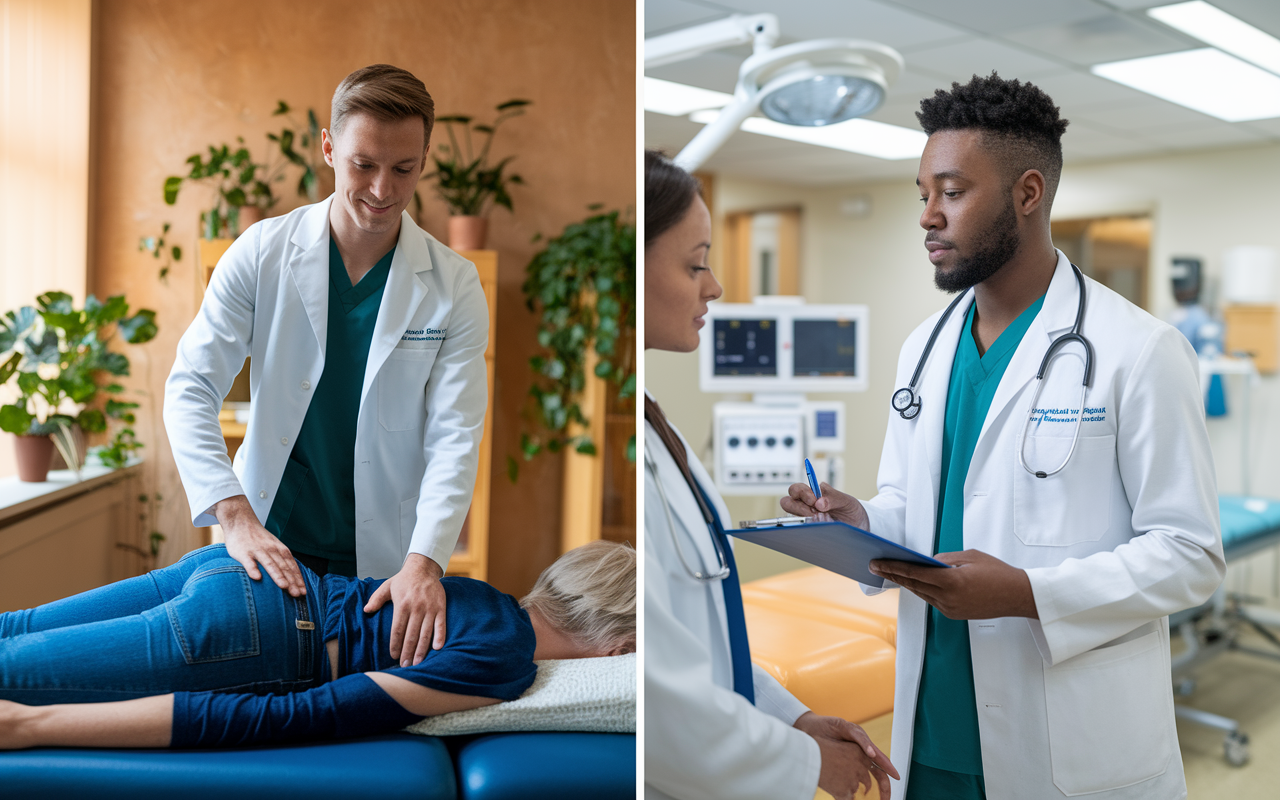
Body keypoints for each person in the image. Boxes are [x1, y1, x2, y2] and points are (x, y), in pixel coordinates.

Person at [781, 73, 1224, 799]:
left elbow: (1190, 554)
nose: (928, 215)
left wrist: (1027, 592)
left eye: (952, 192)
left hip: (1069, 737)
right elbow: (914, 505)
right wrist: (862, 520)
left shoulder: (1139, 349)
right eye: (922, 194)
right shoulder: (925, 347)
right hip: (933, 727)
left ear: (1028, 193)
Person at [165, 64, 490, 671]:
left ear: (424, 159)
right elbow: (191, 386)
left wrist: (426, 561)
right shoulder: (261, 253)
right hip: (265, 538)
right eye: (362, 164)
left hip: (382, 560)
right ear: (328, 146)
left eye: (403, 169)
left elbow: (456, 435)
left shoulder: (454, 285)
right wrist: (233, 517)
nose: (381, 190)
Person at [642, 149, 899, 800]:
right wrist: (804, 761)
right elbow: (659, 692)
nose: (716, 286)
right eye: (695, 263)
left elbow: (709, 640)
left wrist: (794, 717)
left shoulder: (657, 430)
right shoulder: (630, 455)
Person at [0, 539, 634, 749]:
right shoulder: (504, 660)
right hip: (251, 635)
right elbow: (302, 715)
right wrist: (34, 726)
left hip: (235, 567)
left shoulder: (477, 594)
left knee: (15, 629)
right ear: (618, 649)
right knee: (12, 676)